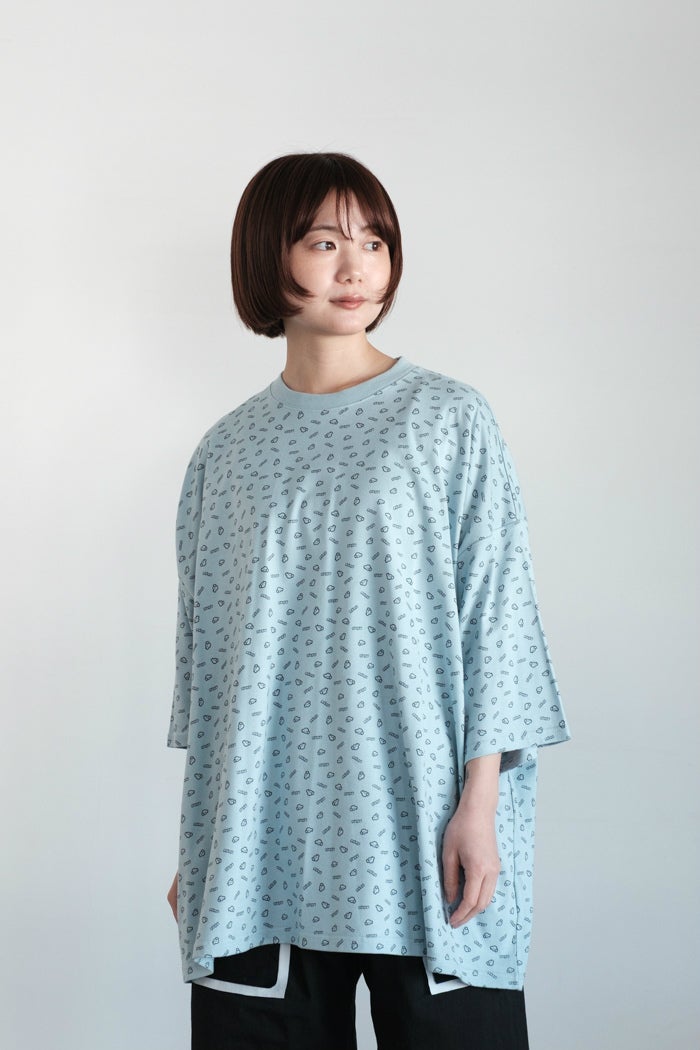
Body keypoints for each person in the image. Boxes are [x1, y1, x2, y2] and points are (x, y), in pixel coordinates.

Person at [165, 151, 571, 1050]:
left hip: (422, 829)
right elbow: (211, 670)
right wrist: (202, 847)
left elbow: (496, 622)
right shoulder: (225, 453)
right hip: (261, 843)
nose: (356, 268)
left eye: (375, 243)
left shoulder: (448, 419)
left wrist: (479, 809)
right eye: (324, 242)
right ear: (267, 255)